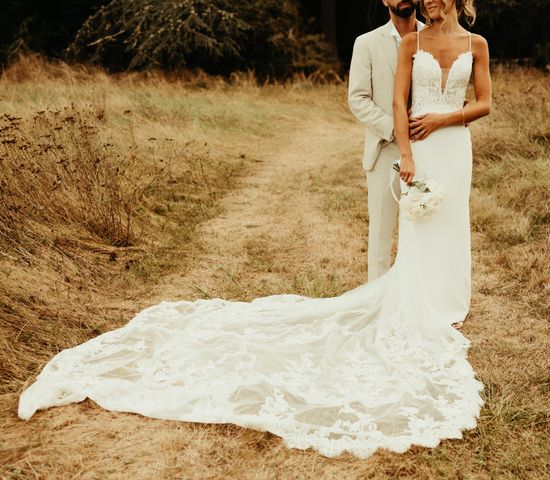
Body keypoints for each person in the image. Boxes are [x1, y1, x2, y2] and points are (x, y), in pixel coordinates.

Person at [18, 0, 491, 460]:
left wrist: (442, 119)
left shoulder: (471, 42)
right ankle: (390, 303)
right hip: (403, 145)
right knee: (392, 234)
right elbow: (364, 99)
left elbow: (482, 100)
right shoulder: (380, 43)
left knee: (446, 223)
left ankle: (443, 300)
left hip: (450, 147)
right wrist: (402, 140)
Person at [348, 0, 424, 282]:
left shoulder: (435, 36)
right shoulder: (367, 43)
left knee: (422, 227)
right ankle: (376, 302)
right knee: (381, 232)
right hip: (385, 148)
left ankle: (419, 295)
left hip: (429, 146)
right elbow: (357, 98)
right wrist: (397, 129)